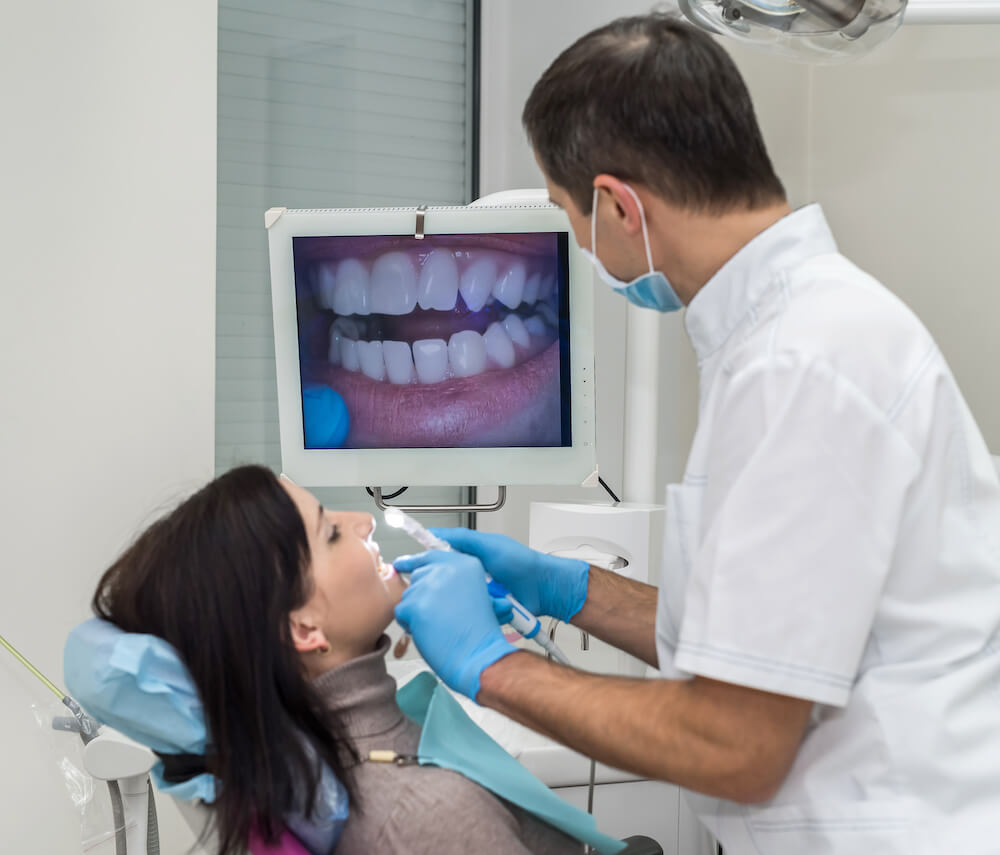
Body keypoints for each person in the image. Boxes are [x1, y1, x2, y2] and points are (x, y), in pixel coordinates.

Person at [393, 12, 1000, 854]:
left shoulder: (800, 367)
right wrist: (568, 588)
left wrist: (494, 667)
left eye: (570, 212)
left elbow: (735, 741)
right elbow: (762, 633)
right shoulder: (790, 337)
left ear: (617, 204)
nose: (578, 237)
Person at [85, 465, 589, 855]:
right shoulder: (426, 817)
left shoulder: (315, 760)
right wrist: (495, 666)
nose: (365, 520)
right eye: (330, 532)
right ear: (303, 628)